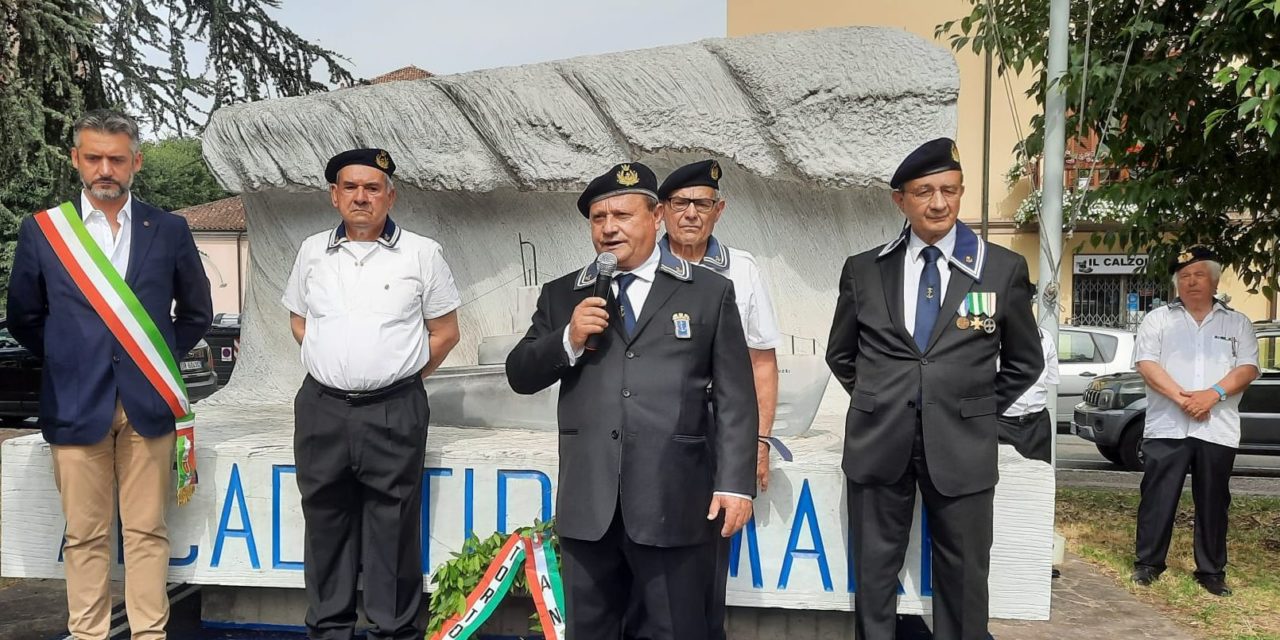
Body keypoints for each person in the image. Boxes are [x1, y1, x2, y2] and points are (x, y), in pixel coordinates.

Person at [505, 161, 757, 639]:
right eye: (598, 219)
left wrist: (736, 484)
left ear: (656, 216)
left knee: (675, 628)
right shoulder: (565, 295)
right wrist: (569, 338)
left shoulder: (706, 291)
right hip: (590, 506)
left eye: (621, 215)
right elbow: (519, 373)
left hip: (675, 500)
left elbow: (736, 397)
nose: (608, 228)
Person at [6, 109, 213, 640]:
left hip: (148, 404)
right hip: (76, 404)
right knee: (85, 536)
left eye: (116, 159)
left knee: (147, 532)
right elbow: (25, 318)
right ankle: (89, 634)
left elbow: (196, 312)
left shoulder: (168, 228)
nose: (105, 169)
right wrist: (70, 358)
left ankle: (148, 634)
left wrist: (156, 357)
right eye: (94, 157)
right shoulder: (44, 231)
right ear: (75, 158)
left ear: (135, 162)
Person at [825, 138, 1042, 640]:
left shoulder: (999, 269)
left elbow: (1024, 361)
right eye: (924, 192)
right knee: (875, 575)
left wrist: (975, 409)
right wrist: (881, 399)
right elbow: (841, 354)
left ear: (961, 193)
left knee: (964, 578)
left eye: (949, 190)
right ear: (900, 200)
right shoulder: (864, 269)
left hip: (962, 445)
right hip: (880, 442)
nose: (938, 203)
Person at [282, 148, 462, 639]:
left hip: (394, 408)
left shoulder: (422, 253)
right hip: (321, 409)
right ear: (334, 196)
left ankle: (393, 632)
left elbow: (445, 331)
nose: (362, 196)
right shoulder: (312, 251)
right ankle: (329, 631)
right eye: (351, 187)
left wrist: (397, 374)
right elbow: (299, 321)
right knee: (325, 527)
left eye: (373, 187)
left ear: (390, 195)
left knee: (393, 529)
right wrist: (338, 364)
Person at [656, 159, 781, 638]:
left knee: (708, 565)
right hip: (654, 429)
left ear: (719, 209)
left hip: (716, 430)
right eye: (681, 203)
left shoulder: (742, 271)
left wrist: (760, 441)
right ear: (661, 211)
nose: (691, 213)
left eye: (702, 204)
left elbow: (761, 362)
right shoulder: (639, 264)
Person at [1130, 247, 1258, 597]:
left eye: (1198, 274)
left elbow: (1247, 368)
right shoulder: (1158, 319)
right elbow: (1146, 363)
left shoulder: (1237, 322)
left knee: (1214, 499)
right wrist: (1183, 398)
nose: (1190, 282)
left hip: (1217, 426)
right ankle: (1148, 564)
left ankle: (1211, 570)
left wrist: (1212, 395)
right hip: (1167, 425)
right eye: (1183, 276)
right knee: (1158, 496)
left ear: (1214, 280)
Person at [998, 327, 1060, 463]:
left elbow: (1050, 379)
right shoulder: (994, 337)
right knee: (1002, 478)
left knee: (1038, 477)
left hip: (1037, 422)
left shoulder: (1046, 337)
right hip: (1001, 422)